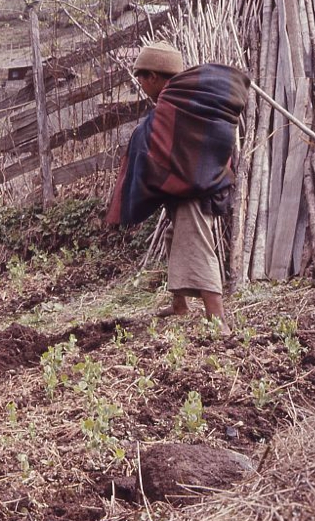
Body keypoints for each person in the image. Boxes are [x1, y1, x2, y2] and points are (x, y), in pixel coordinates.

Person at [106, 42, 249, 333]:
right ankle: (180, 305)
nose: (141, 85)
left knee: (196, 247)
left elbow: (162, 147)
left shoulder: (178, 108)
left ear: (155, 77)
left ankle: (218, 320)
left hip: (195, 192)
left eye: (142, 78)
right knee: (174, 238)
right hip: (194, 185)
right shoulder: (188, 103)